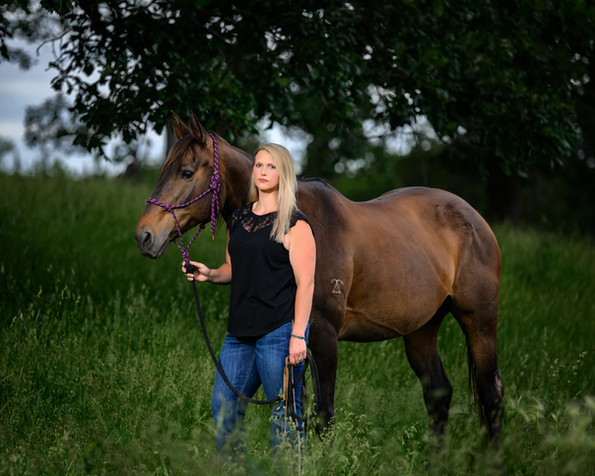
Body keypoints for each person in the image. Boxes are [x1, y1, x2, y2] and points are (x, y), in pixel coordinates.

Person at [182, 143, 316, 457]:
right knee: (224, 409)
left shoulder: (296, 224)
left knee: (284, 413)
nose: (263, 172)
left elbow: (306, 284)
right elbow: (233, 267)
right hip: (239, 334)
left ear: (284, 173)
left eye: (271, 166)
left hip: (279, 331)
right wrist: (211, 274)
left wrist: (298, 335)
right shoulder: (239, 219)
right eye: (259, 165)